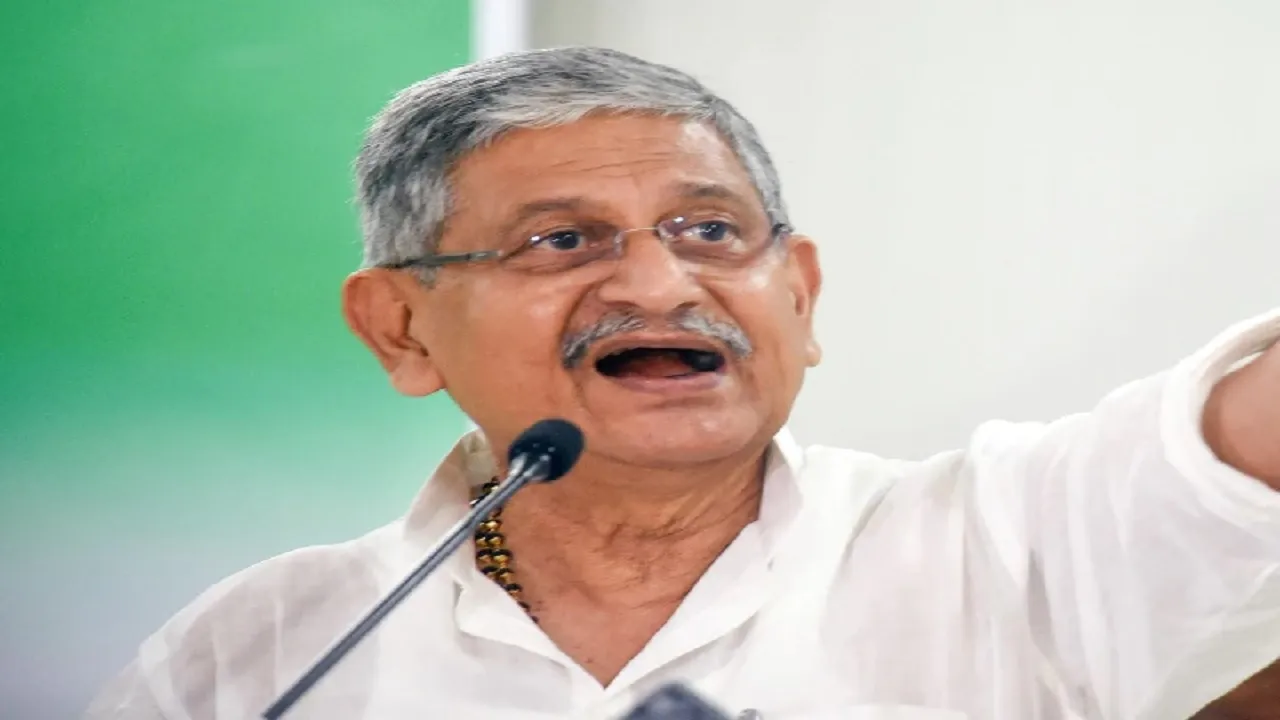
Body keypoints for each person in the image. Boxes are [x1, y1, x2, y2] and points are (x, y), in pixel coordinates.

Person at [85, 47, 1280, 720]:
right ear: (400, 329)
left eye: (709, 230)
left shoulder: (1009, 539)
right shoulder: (257, 655)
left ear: (798, 295)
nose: (658, 285)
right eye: (561, 241)